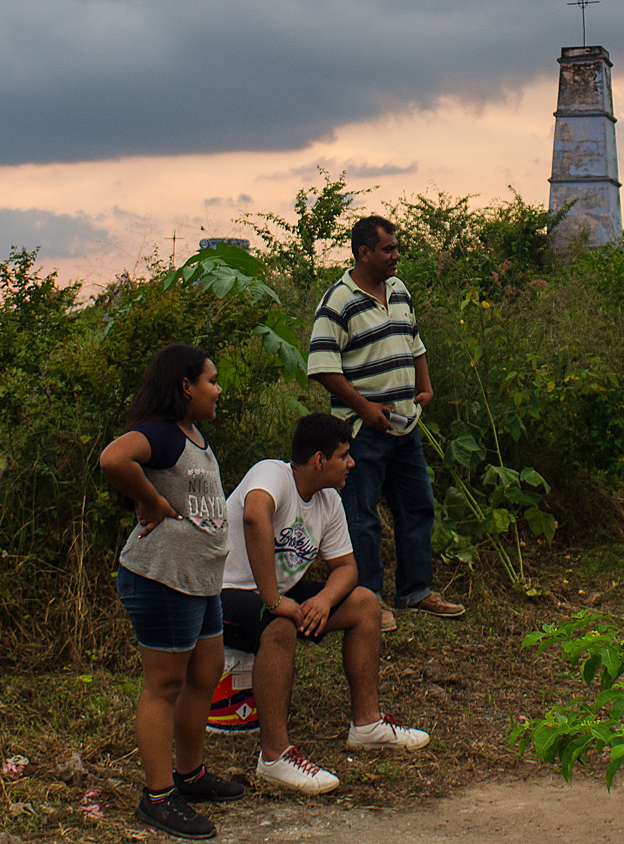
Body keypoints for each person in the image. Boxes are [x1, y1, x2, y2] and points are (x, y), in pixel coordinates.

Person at [220, 413, 430, 794]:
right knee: (278, 625)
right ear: (319, 460)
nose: (352, 463)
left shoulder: (329, 500)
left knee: (365, 604)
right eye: (344, 455)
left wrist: (323, 599)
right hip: (224, 592)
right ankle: (275, 758)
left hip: (278, 594)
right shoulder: (272, 474)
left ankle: (366, 725)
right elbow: (254, 517)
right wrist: (273, 600)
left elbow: (347, 568)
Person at [99, 344, 245, 840]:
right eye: (211, 380)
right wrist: (153, 500)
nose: (218, 389)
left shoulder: (194, 436)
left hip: (199, 581)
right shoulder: (162, 433)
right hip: (162, 578)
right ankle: (158, 796)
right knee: (163, 686)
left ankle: (191, 773)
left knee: (205, 674)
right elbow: (114, 458)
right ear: (186, 386)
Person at [307, 215, 464, 631]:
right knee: (362, 517)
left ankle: (416, 590)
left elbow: (415, 342)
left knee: (417, 506)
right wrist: (363, 408)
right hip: (362, 432)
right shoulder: (338, 301)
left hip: (404, 426)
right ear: (364, 253)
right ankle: (369, 602)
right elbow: (323, 367)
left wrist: (424, 386)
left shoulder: (398, 291)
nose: (396, 256)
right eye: (388, 249)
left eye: (396, 248)